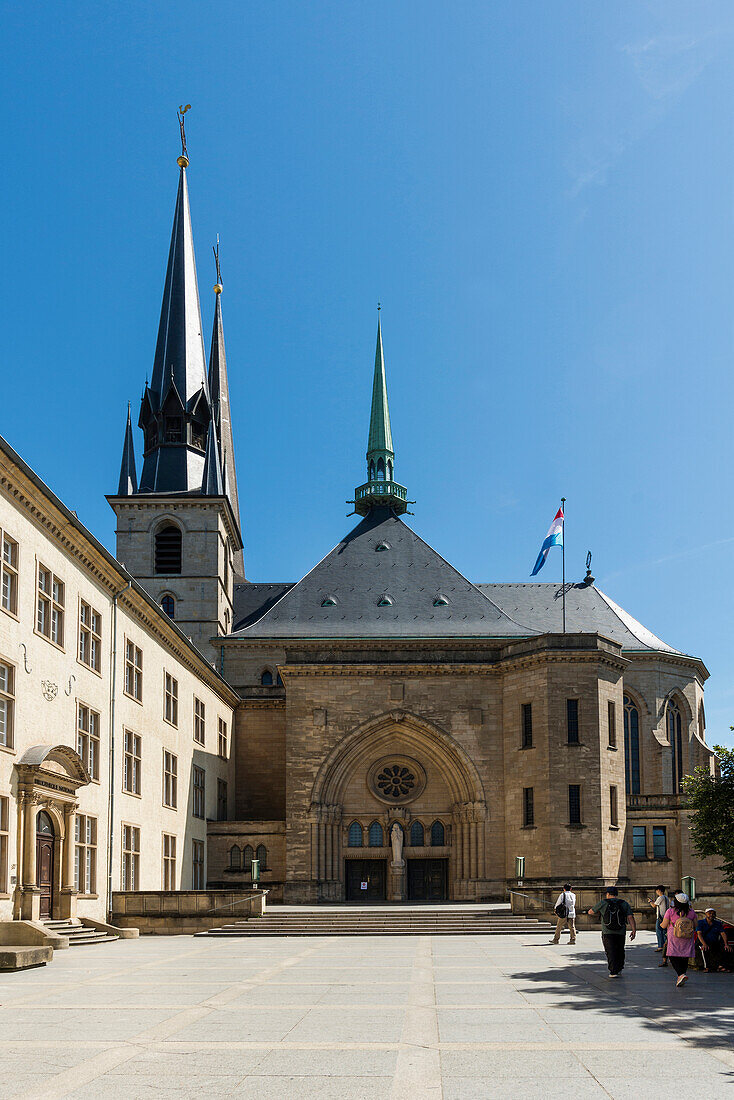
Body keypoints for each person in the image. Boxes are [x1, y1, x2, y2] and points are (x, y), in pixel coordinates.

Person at [587, 886, 636, 978]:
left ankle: (613, 971)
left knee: (610, 951)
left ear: (608, 894)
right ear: (616, 894)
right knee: (620, 950)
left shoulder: (603, 903)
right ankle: (619, 968)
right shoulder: (624, 903)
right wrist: (634, 930)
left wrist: (600, 912)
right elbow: (630, 917)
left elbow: (591, 912)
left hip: (607, 931)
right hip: (621, 931)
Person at [660, 892, 697, 987]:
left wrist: (661, 924)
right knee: (685, 956)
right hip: (687, 937)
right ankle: (682, 975)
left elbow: (664, 925)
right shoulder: (692, 912)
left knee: (672, 955)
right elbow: (695, 925)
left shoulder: (670, 911)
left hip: (674, 936)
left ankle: (680, 974)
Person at [696, 908, 733, 972]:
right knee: (704, 949)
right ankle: (706, 967)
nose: (711, 915)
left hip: (714, 941)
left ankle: (722, 965)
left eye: (713, 914)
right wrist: (704, 944)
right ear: (706, 914)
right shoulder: (700, 922)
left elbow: (723, 933)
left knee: (725, 948)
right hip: (703, 941)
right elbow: (699, 934)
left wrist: (726, 944)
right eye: (709, 913)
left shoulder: (718, 923)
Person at [646, 885, 670, 960]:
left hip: (660, 917)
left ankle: (660, 946)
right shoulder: (666, 897)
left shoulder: (660, 897)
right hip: (666, 917)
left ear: (659, 890)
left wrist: (650, 901)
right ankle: (665, 945)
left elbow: (654, 905)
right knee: (665, 932)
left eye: (657, 890)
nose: (656, 892)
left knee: (659, 931)